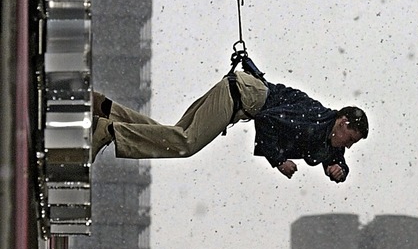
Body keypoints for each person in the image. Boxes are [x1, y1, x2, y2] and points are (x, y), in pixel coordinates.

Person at [91, 69, 368, 183]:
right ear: (342, 123)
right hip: (242, 96)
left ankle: (107, 110)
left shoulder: (324, 128)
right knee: (185, 145)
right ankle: (107, 131)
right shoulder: (313, 121)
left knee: (173, 134)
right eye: (351, 139)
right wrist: (278, 160)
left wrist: (340, 169)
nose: (348, 146)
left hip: (238, 93)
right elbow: (268, 121)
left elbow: (328, 151)